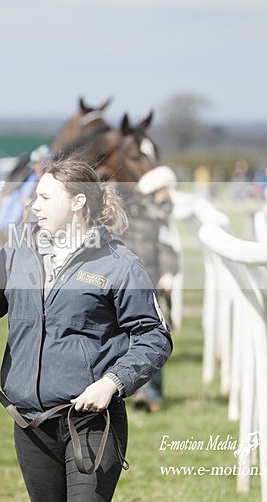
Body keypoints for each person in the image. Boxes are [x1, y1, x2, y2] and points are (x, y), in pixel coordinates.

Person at [0, 155, 172, 501]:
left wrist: (111, 383)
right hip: (30, 424)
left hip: (91, 423)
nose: (34, 205)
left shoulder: (120, 265)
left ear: (77, 202)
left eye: (45, 198)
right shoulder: (17, 250)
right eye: (36, 196)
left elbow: (154, 337)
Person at [124, 166, 181, 412]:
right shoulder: (134, 212)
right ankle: (139, 390)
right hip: (129, 283)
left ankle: (152, 393)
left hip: (149, 282)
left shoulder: (159, 216)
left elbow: (166, 247)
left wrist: (168, 273)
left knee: (152, 337)